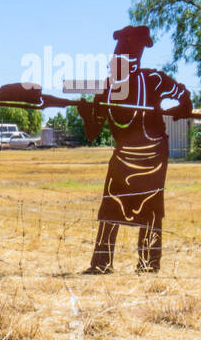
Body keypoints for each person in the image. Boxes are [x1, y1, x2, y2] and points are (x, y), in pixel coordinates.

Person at [79, 25, 191, 273]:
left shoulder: (153, 80)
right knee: (109, 209)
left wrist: (181, 107)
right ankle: (101, 263)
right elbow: (92, 133)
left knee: (151, 210)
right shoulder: (106, 89)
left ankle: (149, 264)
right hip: (122, 158)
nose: (117, 68)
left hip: (152, 157)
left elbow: (183, 94)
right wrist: (87, 115)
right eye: (115, 63)